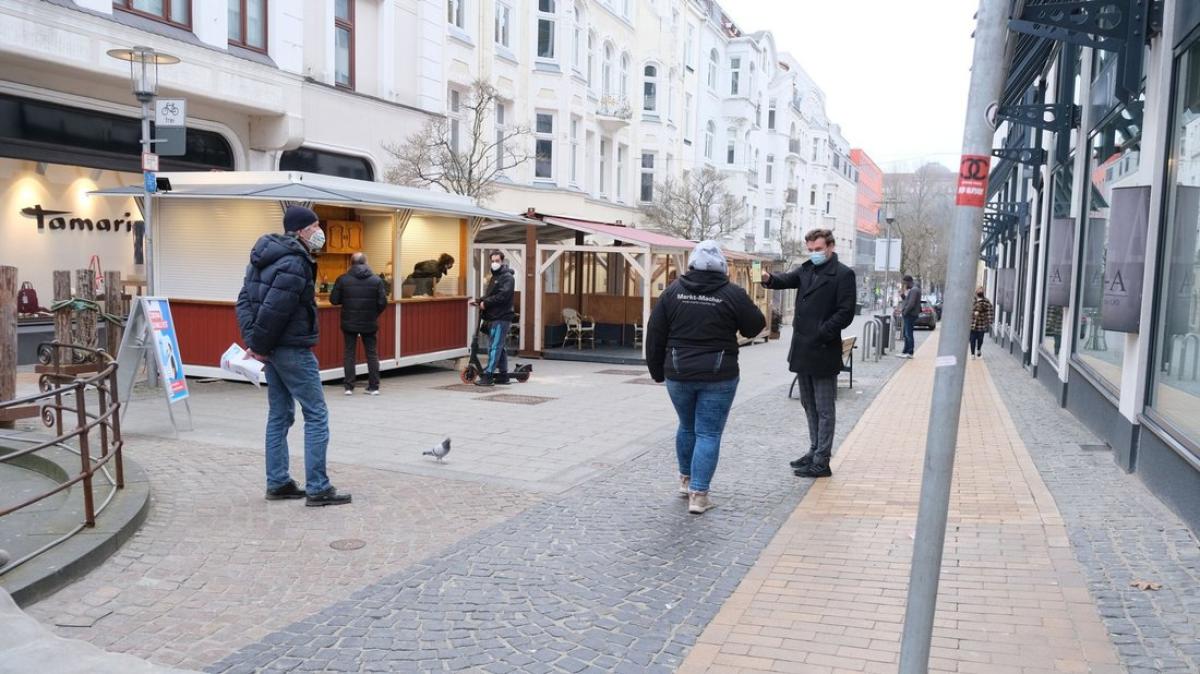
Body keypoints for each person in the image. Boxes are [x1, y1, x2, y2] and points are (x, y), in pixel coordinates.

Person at [235, 206, 352, 507]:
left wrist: (256, 342)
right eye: (314, 226)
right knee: (316, 415)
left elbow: (244, 302)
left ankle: (278, 482)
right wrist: (258, 344)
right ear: (300, 230)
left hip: (273, 350)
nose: (319, 231)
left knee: (279, 415)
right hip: (292, 348)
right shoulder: (293, 263)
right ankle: (318, 487)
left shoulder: (262, 258)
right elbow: (277, 309)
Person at [647, 241, 765, 514]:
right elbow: (755, 326)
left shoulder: (673, 291)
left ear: (691, 264)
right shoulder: (732, 293)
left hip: (678, 371)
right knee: (708, 432)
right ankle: (699, 495)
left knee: (687, 426)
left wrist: (656, 371)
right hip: (719, 372)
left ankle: (685, 480)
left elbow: (655, 334)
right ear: (722, 266)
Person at [762, 228, 856, 479]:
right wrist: (768, 278)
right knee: (808, 404)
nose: (814, 253)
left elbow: (845, 312)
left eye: (818, 249)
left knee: (824, 408)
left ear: (830, 247)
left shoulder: (843, 274)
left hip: (824, 350)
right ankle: (814, 450)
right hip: (803, 350)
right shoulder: (806, 270)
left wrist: (822, 331)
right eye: (811, 249)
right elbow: (785, 280)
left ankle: (822, 460)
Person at [330, 252, 388, 395]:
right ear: (366, 262)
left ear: (351, 263)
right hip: (369, 322)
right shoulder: (376, 280)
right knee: (372, 354)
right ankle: (374, 387)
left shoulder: (343, 279)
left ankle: (349, 387)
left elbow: (334, 300)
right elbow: (382, 302)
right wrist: (374, 314)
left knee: (349, 353)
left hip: (349, 322)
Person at [470, 251, 516, 387]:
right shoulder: (495, 276)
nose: (494, 263)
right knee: (499, 347)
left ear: (502, 261)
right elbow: (491, 294)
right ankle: (503, 375)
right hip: (494, 316)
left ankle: (488, 376)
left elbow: (503, 296)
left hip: (501, 317)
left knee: (494, 347)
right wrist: (479, 301)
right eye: (493, 261)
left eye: (497, 261)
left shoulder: (508, 278)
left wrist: (486, 303)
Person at [899, 275, 921, 359]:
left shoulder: (914, 290)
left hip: (910, 315)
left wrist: (905, 312)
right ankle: (905, 351)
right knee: (906, 333)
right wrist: (903, 296)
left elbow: (911, 304)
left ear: (908, 282)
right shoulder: (913, 290)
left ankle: (910, 351)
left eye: (904, 283)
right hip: (909, 314)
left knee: (908, 334)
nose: (904, 285)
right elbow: (908, 301)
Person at [970, 286, 995, 359]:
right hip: (972, 324)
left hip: (982, 324)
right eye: (978, 290)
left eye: (981, 290)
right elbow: (967, 310)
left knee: (980, 339)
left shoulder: (986, 301)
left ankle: (978, 349)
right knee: (972, 340)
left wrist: (990, 321)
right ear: (976, 292)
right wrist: (973, 313)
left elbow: (990, 311)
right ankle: (972, 354)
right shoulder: (972, 301)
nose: (980, 292)